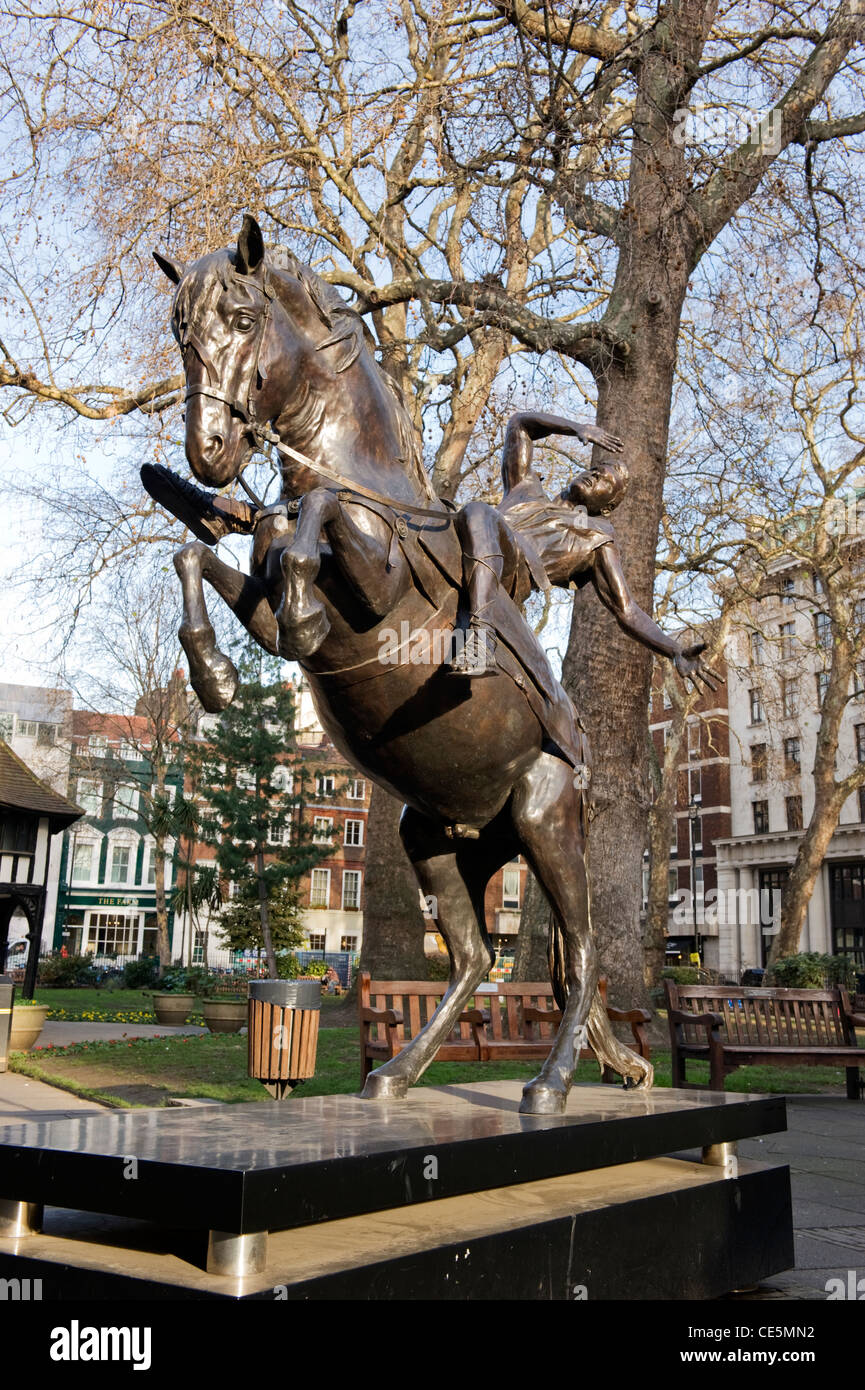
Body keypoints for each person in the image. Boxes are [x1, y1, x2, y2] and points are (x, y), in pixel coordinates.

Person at [448, 411, 716, 691]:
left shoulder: (597, 539)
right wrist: (576, 427)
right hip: (464, 542)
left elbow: (626, 610)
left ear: (607, 506)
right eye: (594, 471)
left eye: (604, 481)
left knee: (479, 510)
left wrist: (673, 650)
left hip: (512, 573)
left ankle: (481, 637)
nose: (594, 476)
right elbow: (519, 424)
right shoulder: (524, 487)